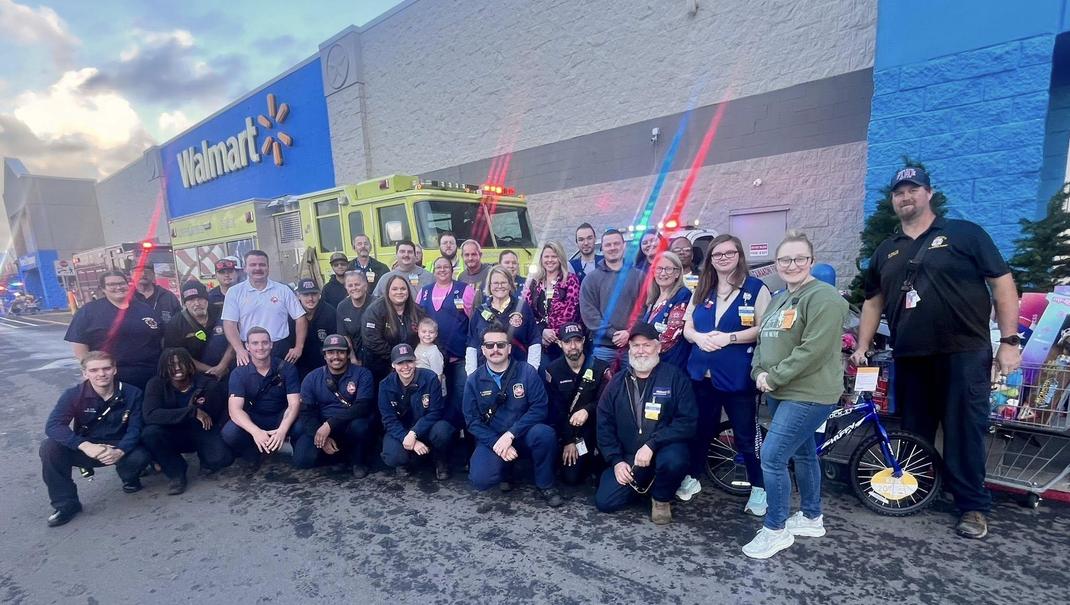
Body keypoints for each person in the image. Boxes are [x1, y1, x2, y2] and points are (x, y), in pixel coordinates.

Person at [851, 166, 1021, 540]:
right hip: (910, 356)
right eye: (898, 192)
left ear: (929, 193)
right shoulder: (887, 249)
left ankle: (972, 506)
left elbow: (1003, 284)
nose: (905, 197)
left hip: (963, 352)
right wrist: (862, 345)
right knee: (916, 431)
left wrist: (1010, 341)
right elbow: (873, 302)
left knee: (964, 430)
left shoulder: (964, 234)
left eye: (913, 189)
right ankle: (917, 490)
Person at [743, 231, 848, 559]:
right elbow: (762, 340)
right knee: (803, 454)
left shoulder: (824, 298)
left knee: (772, 456)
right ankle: (812, 516)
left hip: (808, 393)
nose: (791, 264)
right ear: (776, 264)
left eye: (799, 258)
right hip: (779, 389)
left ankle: (775, 529)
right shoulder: (778, 298)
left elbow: (813, 349)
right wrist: (758, 371)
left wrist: (774, 377)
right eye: (785, 259)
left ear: (811, 262)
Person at [681, 234, 771, 511]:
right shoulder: (702, 288)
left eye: (728, 253)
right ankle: (693, 476)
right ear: (709, 259)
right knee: (700, 430)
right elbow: (687, 327)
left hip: (737, 377)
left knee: (745, 434)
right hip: (703, 375)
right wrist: (698, 338)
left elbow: (764, 328)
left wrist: (729, 338)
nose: (722, 258)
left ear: (739, 255)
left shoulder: (756, 289)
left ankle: (759, 488)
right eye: (716, 254)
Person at [594, 323, 695, 524]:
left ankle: (661, 498)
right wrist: (616, 461)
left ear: (658, 347)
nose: (641, 351)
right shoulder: (617, 382)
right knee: (605, 502)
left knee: (674, 460)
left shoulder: (675, 378)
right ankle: (646, 483)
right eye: (635, 346)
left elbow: (688, 422)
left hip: (663, 451)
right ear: (629, 349)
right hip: (630, 456)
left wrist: (652, 444)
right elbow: (604, 422)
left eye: (646, 345)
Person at [39, 351, 152, 527]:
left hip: (119, 446)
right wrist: (84, 445)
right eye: (94, 370)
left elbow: (136, 428)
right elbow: (53, 426)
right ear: (85, 373)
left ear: (114, 370)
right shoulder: (73, 395)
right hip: (88, 447)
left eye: (106, 368)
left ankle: (129, 477)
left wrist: (120, 450)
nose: (101, 374)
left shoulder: (132, 393)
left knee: (142, 454)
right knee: (50, 447)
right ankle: (66, 504)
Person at [463, 323, 564, 507]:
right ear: (483, 350)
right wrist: (496, 443)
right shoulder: (473, 380)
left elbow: (539, 408)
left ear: (509, 348)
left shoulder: (527, 372)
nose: (495, 349)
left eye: (501, 345)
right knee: (480, 479)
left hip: (523, 434)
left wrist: (511, 435)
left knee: (545, 434)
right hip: (493, 438)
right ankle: (505, 469)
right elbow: (472, 422)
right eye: (490, 345)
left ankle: (545, 484)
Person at [140, 348, 233, 495]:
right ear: (164, 367)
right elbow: (150, 414)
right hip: (171, 432)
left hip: (201, 430)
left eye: (181, 363)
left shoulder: (208, 384)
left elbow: (216, 414)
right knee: (150, 433)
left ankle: (206, 459)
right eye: (171, 364)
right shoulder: (156, 384)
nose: (177, 368)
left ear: (190, 364)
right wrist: (192, 411)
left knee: (221, 459)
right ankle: (176, 473)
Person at [293, 334, 376, 477]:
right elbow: (307, 412)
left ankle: (358, 461)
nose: (336, 356)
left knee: (361, 426)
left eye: (341, 352)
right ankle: (336, 458)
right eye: (330, 352)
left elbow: (363, 406)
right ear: (324, 355)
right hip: (323, 425)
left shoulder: (362, 374)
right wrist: (320, 437)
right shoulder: (311, 378)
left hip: (350, 424)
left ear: (348, 354)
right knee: (302, 460)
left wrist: (330, 424)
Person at [221, 327, 302, 473]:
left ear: (271, 344)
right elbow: (235, 410)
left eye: (265, 343)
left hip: (280, 416)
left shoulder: (287, 368)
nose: (260, 347)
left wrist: (283, 430)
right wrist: (256, 432)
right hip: (255, 417)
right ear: (247, 346)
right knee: (229, 432)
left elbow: (294, 403)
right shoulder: (239, 373)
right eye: (255, 343)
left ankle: (287, 447)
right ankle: (254, 454)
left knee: (301, 425)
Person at [65, 269, 163, 389]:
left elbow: (160, 336)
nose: (118, 287)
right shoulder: (89, 311)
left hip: (151, 376)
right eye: (112, 284)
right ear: (103, 288)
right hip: (112, 378)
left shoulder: (144, 309)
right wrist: (93, 370)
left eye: (121, 283)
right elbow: (79, 345)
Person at [543, 322, 612, 486]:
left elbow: (607, 403)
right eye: (567, 342)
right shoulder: (552, 371)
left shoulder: (601, 368)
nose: (573, 346)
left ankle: (596, 459)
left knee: (601, 473)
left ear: (583, 341)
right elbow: (557, 411)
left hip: (595, 428)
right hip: (569, 430)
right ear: (560, 343)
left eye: (577, 340)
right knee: (571, 478)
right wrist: (568, 441)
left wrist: (588, 410)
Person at [379, 343, 455, 479]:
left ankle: (440, 460)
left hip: (426, 427)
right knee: (392, 456)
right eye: (400, 363)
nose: (405, 367)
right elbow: (389, 420)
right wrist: (406, 437)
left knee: (443, 430)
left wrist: (414, 433)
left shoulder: (430, 378)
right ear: (393, 365)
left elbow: (435, 412)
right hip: (402, 430)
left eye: (409, 361)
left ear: (415, 361)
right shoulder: (385, 385)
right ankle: (407, 461)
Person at [417, 256, 475, 429]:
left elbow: (473, 320)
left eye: (446, 267)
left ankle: (466, 436)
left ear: (452, 269)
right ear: (433, 271)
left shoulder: (464, 290)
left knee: (461, 396)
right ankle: (444, 434)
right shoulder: (424, 291)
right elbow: (418, 321)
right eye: (438, 267)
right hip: (432, 359)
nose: (442, 270)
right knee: (437, 398)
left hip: (459, 357)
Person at [221, 250, 307, 364]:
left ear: (268, 267)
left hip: (280, 349)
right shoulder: (234, 292)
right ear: (245, 268)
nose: (258, 268)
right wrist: (240, 350)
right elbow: (229, 324)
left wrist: (298, 347)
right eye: (253, 265)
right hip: (249, 351)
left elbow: (300, 318)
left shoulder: (283, 290)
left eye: (262, 264)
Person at [579, 229, 643, 369]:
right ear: (602, 248)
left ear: (624, 246)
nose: (613, 248)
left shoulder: (639, 277)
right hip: (602, 348)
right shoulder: (591, 280)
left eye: (616, 243)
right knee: (602, 389)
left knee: (635, 388)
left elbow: (645, 308)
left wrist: (629, 332)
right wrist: (612, 334)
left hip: (635, 347)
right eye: (608, 245)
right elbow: (589, 314)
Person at [466, 266, 541, 374]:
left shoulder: (522, 307)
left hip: (518, 373)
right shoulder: (480, 312)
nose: (500, 286)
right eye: (495, 283)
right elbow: (472, 346)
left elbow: (534, 340)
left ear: (510, 284)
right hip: (486, 375)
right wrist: (472, 375)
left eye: (503, 282)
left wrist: (531, 371)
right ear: (489, 286)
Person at [525, 241, 582, 367]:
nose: (550, 260)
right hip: (539, 341)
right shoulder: (534, 282)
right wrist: (542, 332)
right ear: (541, 259)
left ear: (560, 258)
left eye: (554, 256)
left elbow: (570, 312)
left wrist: (552, 334)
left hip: (564, 342)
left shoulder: (570, 280)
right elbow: (527, 313)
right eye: (546, 256)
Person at [362, 274, 426, 383]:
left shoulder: (417, 310)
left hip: (411, 366)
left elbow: (426, 333)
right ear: (388, 291)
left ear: (408, 291)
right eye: (395, 289)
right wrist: (398, 358)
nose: (399, 292)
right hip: (382, 367)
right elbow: (372, 340)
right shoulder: (375, 310)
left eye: (403, 289)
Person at [164, 280, 233, 380]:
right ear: (185, 304)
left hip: (229, 368)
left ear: (207, 299)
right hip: (195, 375)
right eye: (191, 300)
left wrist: (222, 366)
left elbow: (235, 340)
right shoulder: (175, 324)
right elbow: (178, 355)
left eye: (200, 298)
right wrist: (211, 371)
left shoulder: (222, 312)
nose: (196, 303)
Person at [641, 251, 692, 370]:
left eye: (668, 269)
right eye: (659, 269)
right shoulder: (654, 297)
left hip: (670, 365)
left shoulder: (683, 295)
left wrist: (644, 350)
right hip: (651, 362)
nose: (663, 273)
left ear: (677, 273)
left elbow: (671, 334)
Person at [291, 278, 338, 379]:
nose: (310, 299)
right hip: (299, 367)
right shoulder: (291, 314)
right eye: (306, 295)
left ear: (319, 294)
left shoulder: (330, 313)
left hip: (325, 367)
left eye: (313, 294)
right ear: (298, 295)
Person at [335, 270, 371, 366]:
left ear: (365, 285)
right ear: (346, 288)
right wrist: (353, 358)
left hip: (377, 357)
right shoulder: (342, 307)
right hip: (355, 358)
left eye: (357, 284)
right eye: (350, 285)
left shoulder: (377, 304)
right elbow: (344, 335)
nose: (354, 288)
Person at [415, 317, 446, 387]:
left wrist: (436, 390)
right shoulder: (417, 346)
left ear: (436, 334)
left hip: (430, 386)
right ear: (418, 331)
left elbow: (438, 374)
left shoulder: (434, 351)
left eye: (431, 332)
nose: (427, 334)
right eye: (424, 331)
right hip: (419, 384)